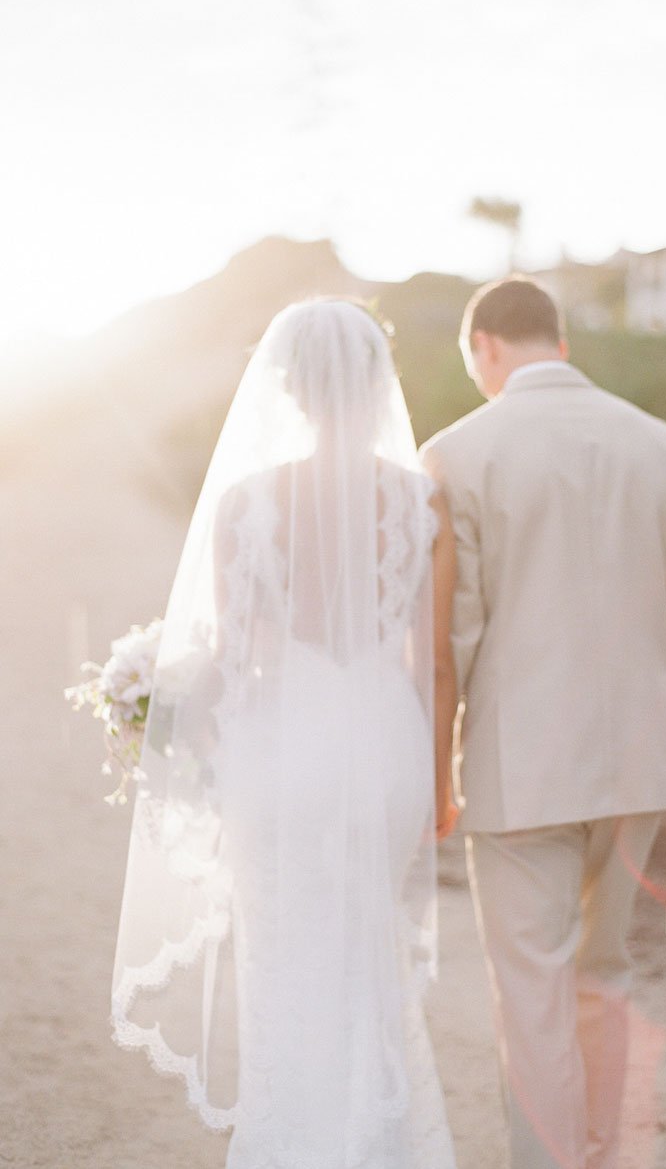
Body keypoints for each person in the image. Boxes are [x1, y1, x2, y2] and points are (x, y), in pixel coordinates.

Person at [111, 300, 459, 1169]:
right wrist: (439, 780)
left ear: (288, 389)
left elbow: (234, 660)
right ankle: (375, 1145)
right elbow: (434, 662)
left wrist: (160, 710)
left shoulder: (244, 504)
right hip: (383, 742)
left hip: (286, 743)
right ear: (379, 382)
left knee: (285, 959)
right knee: (364, 951)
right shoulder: (422, 503)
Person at [421, 276, 666, 1169]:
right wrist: (653, 732)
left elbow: (451, 638)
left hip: (518, 768)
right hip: (635, 759)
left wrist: (438, 773)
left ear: (485, 349)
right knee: (606, 977)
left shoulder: (456, 453)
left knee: (531, 995)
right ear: (562, 343)